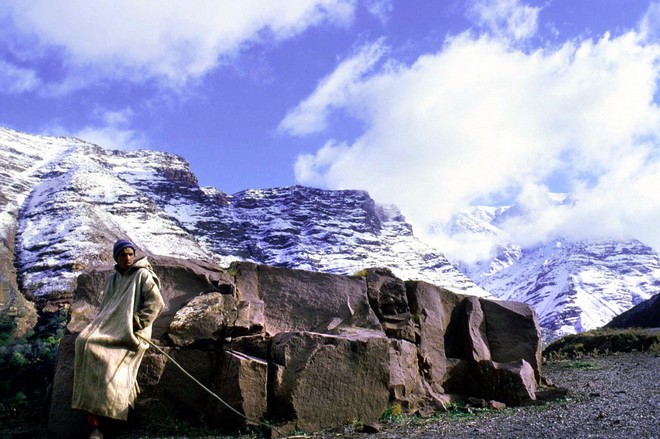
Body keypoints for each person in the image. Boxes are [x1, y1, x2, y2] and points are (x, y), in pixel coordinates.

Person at [72, 239, 164, 439]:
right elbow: (107, 309)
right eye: (123, 255)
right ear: (116, 257)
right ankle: (92, 417)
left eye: (131, 254)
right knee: (83, 342)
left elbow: (156, 304)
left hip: (133, 333)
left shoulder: (143, 275)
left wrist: (137, 322)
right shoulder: (112, 279)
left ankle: (103, 423)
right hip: (113, 330)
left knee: (105, 357)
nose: (128, 258)